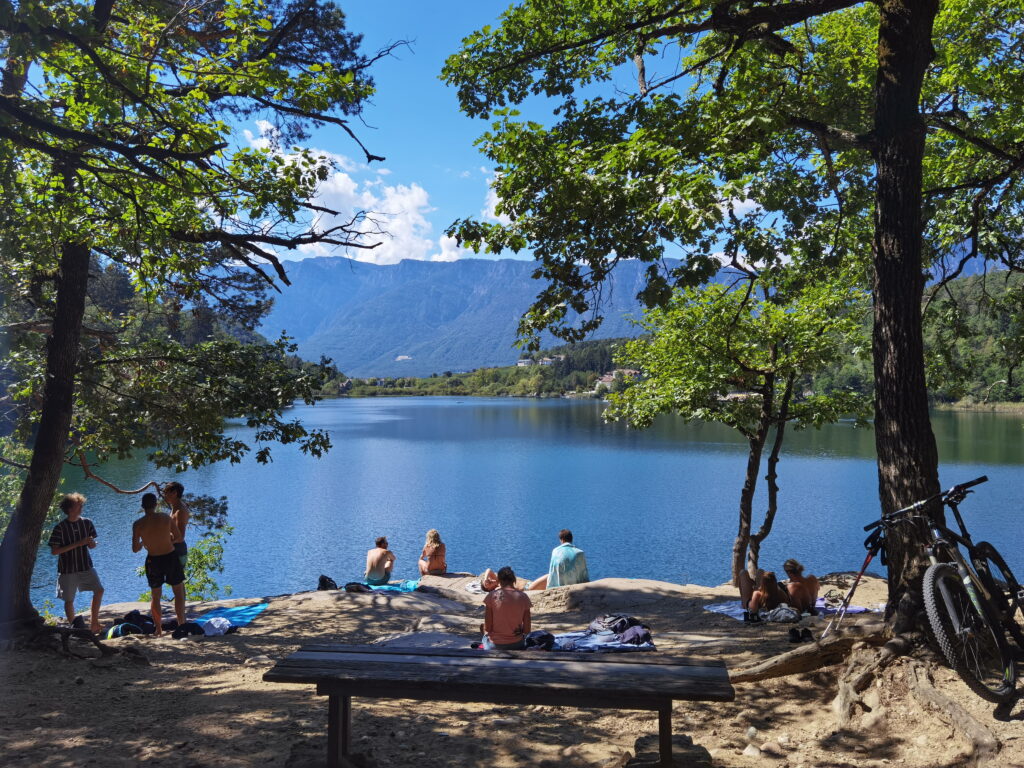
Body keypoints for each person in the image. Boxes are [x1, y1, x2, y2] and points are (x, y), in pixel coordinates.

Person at [48, 493, 104, 633]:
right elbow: (55, 551)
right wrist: (78, 543)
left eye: (81, 504)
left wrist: (91, 543)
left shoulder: (87, 523)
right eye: (78, 505)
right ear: (70, 509)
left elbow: (92, 546)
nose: (81, 507)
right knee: (69, 599)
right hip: (67, 569)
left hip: (85, 565)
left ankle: (94, 624)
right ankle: (75, 628)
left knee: (99, 590)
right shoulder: (59, 528)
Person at [133, 492, 186, 635]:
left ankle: (158, 629)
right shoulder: (164, 517)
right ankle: (182, 625)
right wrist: (168, 540)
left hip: (153, 560)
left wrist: (145, 542)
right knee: (179, 592)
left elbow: (135, 549)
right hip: (170, 557)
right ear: (156, 504)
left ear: (142, 506)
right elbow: (179, 537)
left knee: (155, 595)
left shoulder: (138, 524)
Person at [482, 566, 532, 650]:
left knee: (483, 633)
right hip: (517, 645)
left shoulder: (491, 596)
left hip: (494, 646)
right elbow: (527, 630)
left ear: (499, 581)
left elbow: (488, 628)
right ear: (513, 580)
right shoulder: (524, 597)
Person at [162, 481, 190, 569]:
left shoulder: (180, 511)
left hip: (178, 551)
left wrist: (161, 538)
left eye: (166, 492)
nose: (164, 495)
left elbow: (180, 536)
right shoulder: (175, 507)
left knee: (176, 582)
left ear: (174, 493)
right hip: (172, 549)